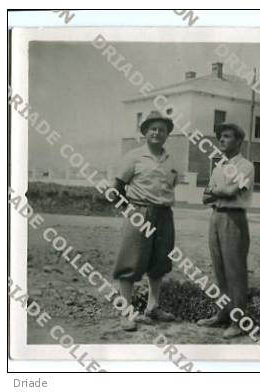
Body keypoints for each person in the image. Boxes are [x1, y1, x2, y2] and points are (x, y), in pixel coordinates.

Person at [112, 110, 179, 331]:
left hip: (164, 214)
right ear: (145, 133)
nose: (157, 133)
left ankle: (153, 307)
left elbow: (172, 185)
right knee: (130, 262)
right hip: (139, 211)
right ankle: (126, 312)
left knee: (160, 262)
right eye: (153, 129)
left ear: (167, 134)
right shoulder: (134, 156)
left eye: (162, 130)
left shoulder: (171, 160)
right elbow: (117, 188)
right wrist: (130, 211)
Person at [197, 123, 254, 339]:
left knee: (235, 271)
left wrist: (216, 191)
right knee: (219, 269)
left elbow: (232, 193)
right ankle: (223, 313)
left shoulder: (246, 166)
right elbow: (204, 198)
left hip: (234, 218)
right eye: (220, 136)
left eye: (227, 136)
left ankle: (239, 321)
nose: (221, 140)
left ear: (239, 141)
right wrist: (220, 192)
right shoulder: (218, 167)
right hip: (216, 217)